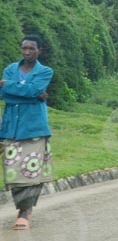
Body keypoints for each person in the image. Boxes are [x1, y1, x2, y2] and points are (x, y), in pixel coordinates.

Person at [0, 35, 54, 230]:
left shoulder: (45, 71)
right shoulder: (10, 69)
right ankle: (24, 207)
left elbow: (33, 90)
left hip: (34, 128)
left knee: (30, 171)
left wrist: (8, 85)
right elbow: (4, 95)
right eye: (24, 48)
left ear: (39, 50)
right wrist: (31, 94)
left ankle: (24, 212)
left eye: (31, 48)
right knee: (13, 171)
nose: (27, 52)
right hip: (11, 128)